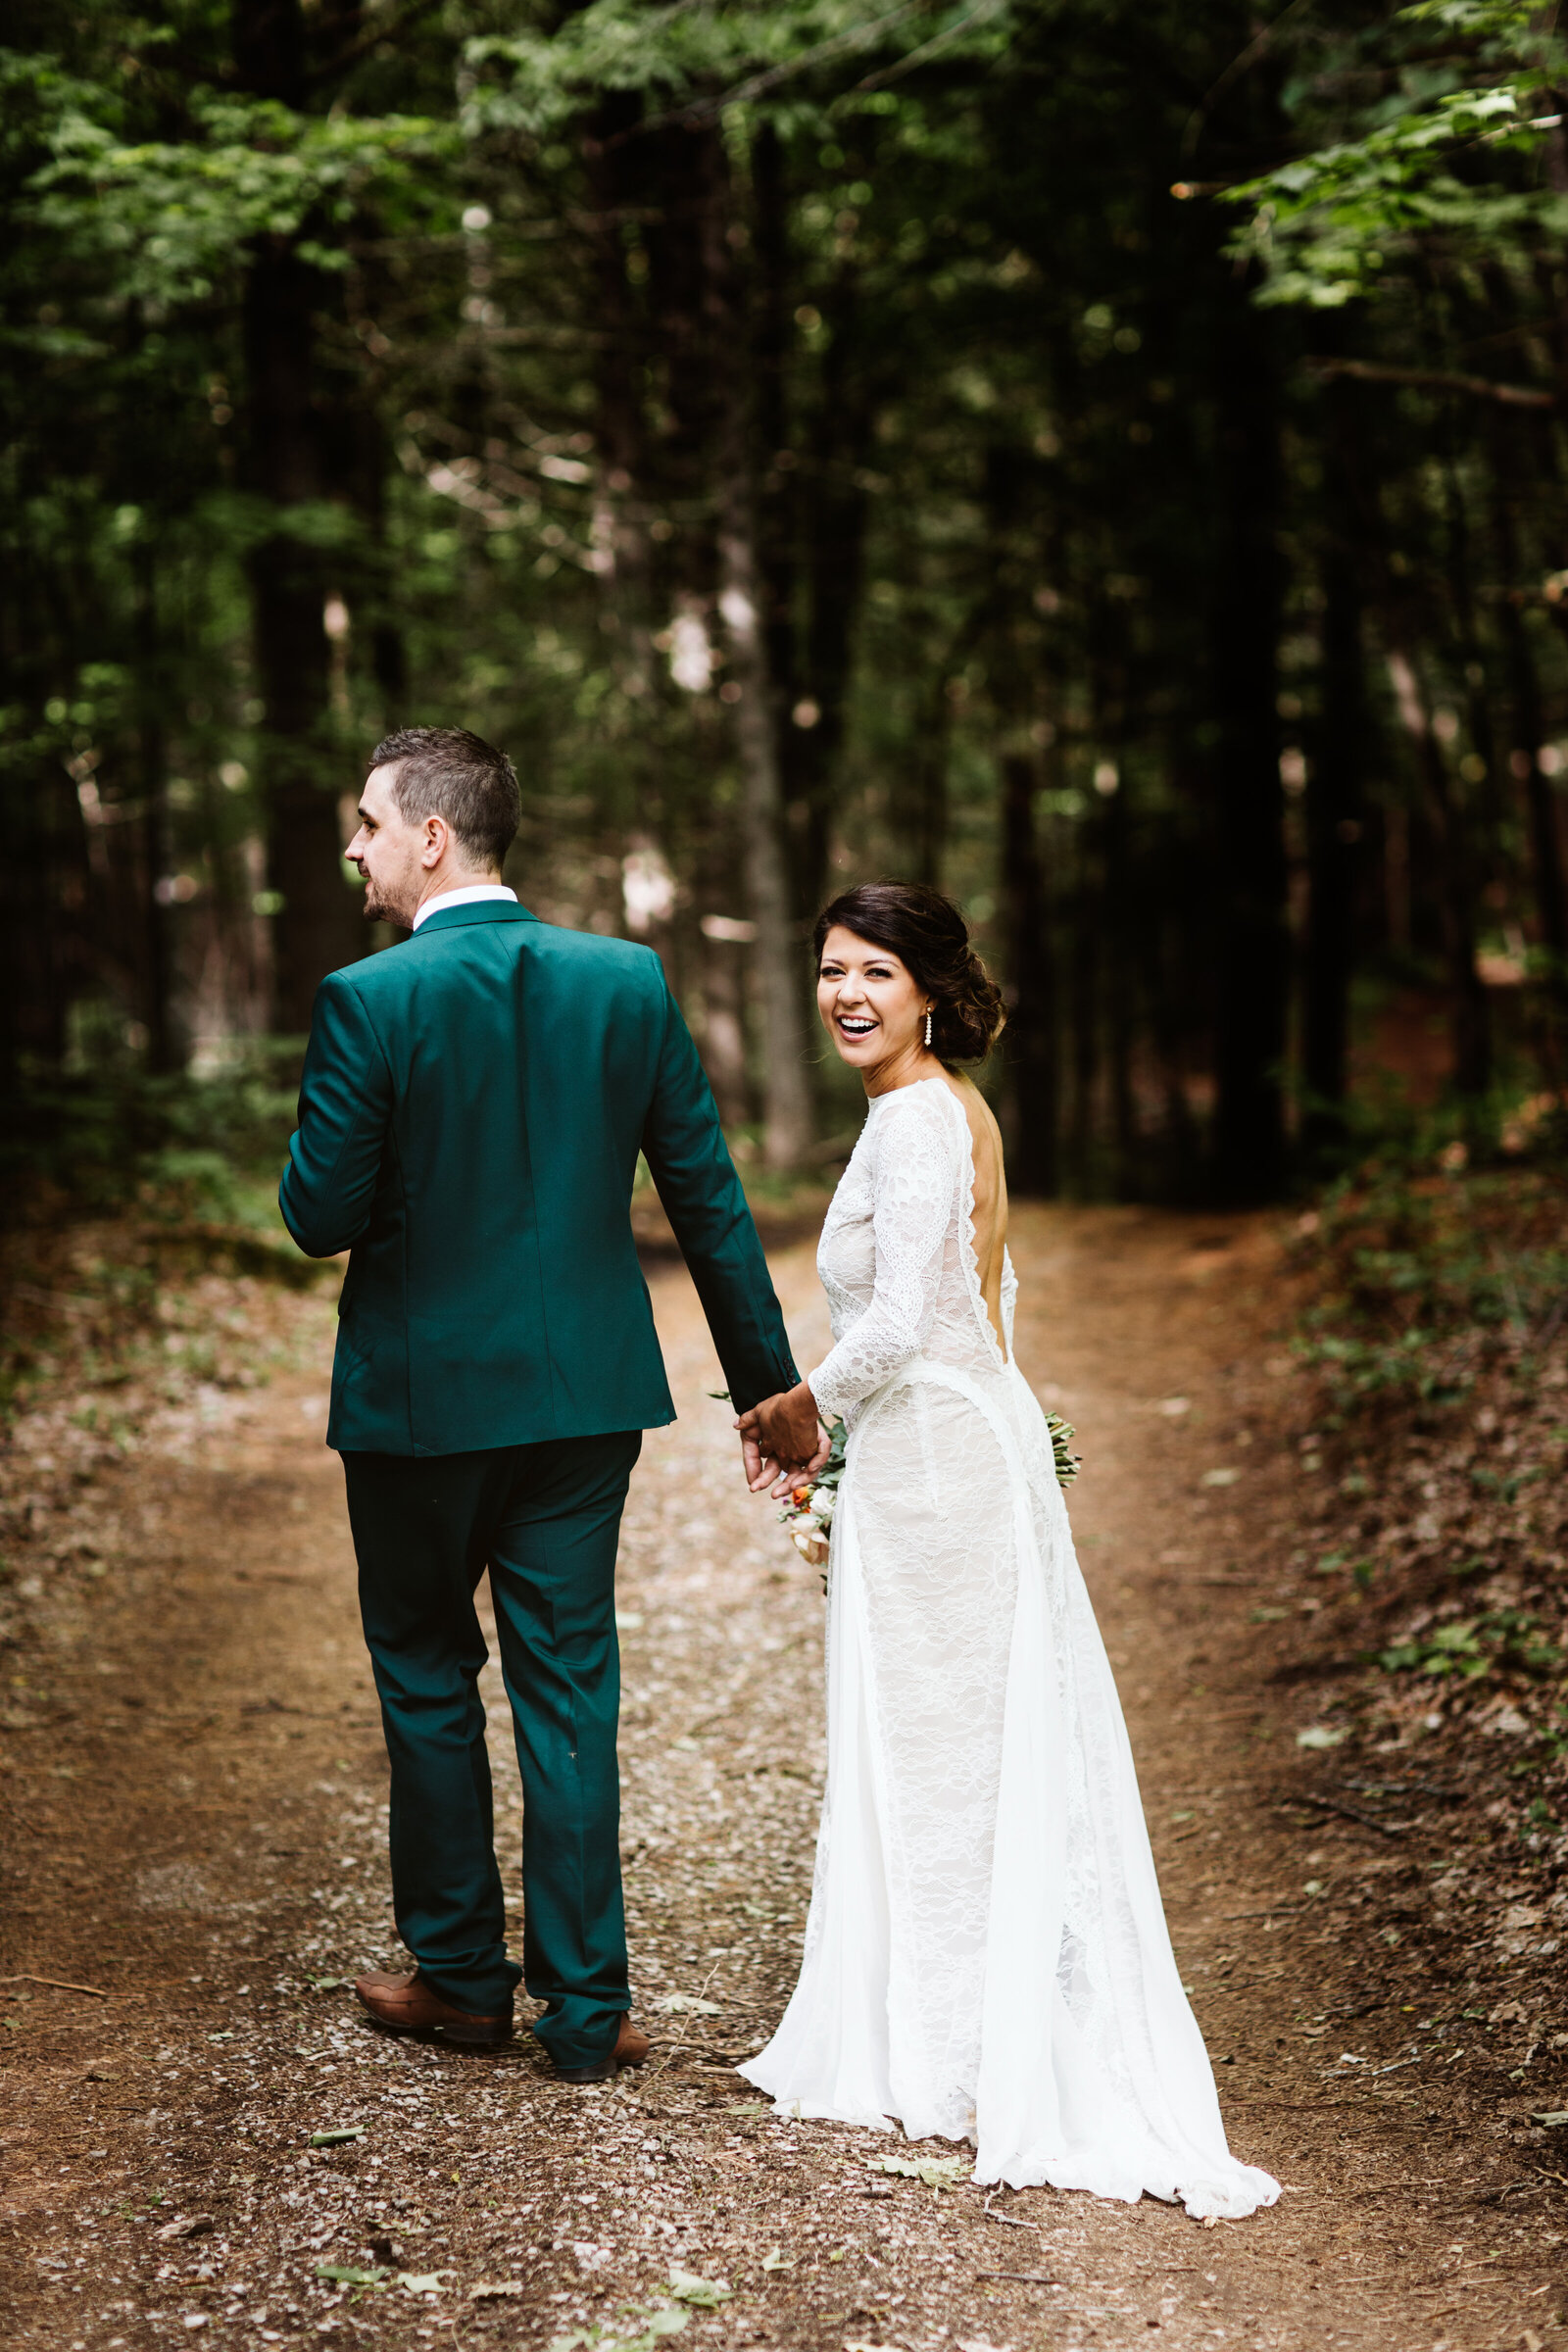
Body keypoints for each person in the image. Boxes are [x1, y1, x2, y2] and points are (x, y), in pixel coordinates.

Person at [733, 883, 1279, 2220]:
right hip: (947, 1448)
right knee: (959, 1744)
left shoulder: (922, 1118)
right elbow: (994, 1300)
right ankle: (963, 2021)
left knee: (955, 1750)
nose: (848, 995)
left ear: (930, 990)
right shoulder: (942, 1112)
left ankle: (976, 2049)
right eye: (829, 972)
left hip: (940, 1462)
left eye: (875, 972)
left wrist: (805, 1415)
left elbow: (912, 1317)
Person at [278, 727, 806, 2080]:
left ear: (432, 838)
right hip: (582, 1398)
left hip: (417, 1405)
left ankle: (461, 1980)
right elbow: (706, 1193)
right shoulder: (623, 982)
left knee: (426, 1671)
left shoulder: (366, 1000)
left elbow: (316, 1215)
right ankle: (586, 2010)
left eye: (367, 824)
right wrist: (769, 1389)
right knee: (569, 1683)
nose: (353, 847)